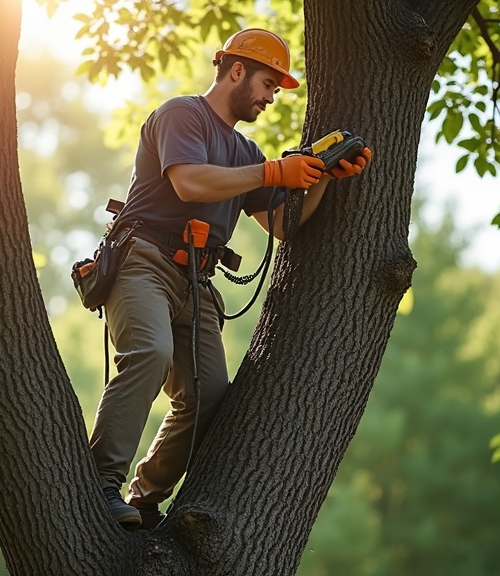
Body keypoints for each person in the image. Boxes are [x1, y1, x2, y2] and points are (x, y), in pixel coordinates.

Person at [87, 27, 372, 530]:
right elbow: (189, 181)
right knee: (150, 353)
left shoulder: (246, 151)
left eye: (275, 90)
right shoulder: (182, 114)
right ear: (236, 71)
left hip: (196, 284)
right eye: (267, 84)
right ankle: (99, 486)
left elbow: (282, 225)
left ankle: (145, 498)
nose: (270, 97)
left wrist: (322, 176)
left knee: (210, 396)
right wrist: (274, 172)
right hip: (145, 263)